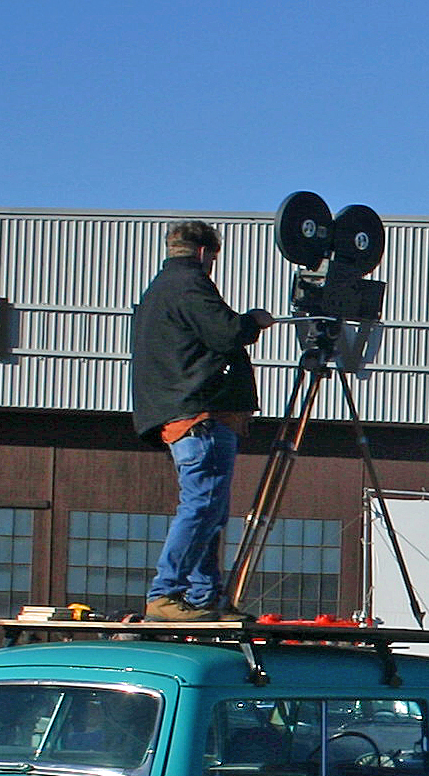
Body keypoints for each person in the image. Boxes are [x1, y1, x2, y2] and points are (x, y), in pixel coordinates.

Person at [129, 219, 273, 624]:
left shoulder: (159, 290)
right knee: (201, 505)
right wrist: (253, 321)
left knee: (208, 507)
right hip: (199, 414)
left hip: (178, 412)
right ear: (205, 252)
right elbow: (226, 334)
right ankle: (167, 593)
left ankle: (204, 596)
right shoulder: (190, 284)